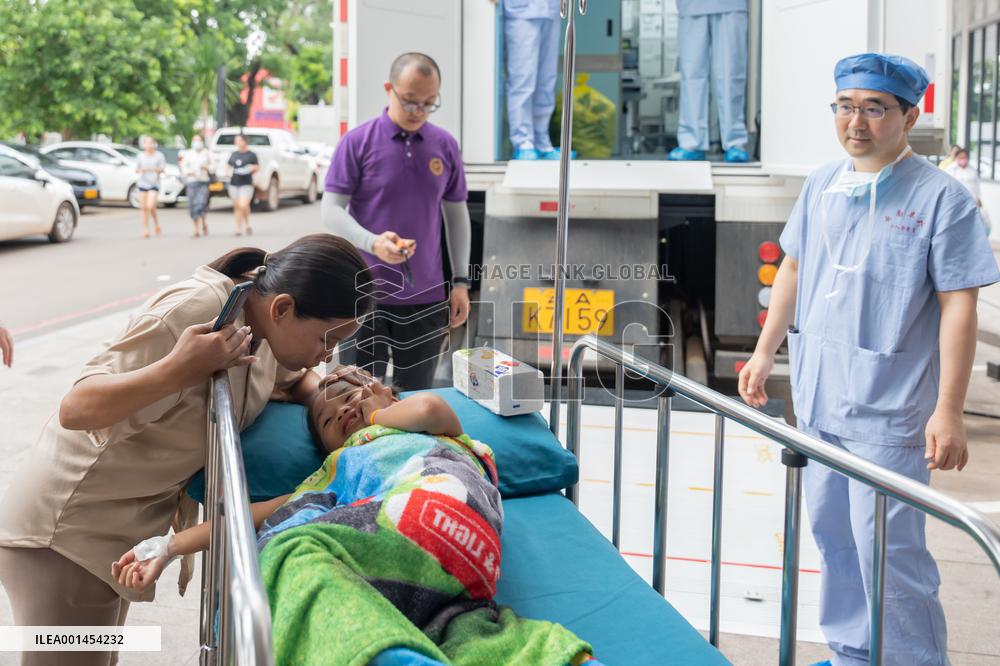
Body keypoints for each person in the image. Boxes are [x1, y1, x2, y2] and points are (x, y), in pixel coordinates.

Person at [0, 234, 374, 666]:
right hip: (65, 534)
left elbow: (290, 381)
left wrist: (337, 404)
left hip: (112, 535)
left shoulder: (262, 332)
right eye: (326, 339)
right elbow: (77, 407)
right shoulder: (199, 310)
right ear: (283, 308)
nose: (328, 355)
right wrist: (180, 368)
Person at [737, 53, 1000, 665]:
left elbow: (958, 306)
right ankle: (854, 653)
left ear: (908, 116)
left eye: (874, 108)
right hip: (820, 398)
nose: (856, 122)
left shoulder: (942, 199)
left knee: (888, 551)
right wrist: (764, 352)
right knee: (834, 537)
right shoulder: (822, 184)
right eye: (845, 106)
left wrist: (949, 410)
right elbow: (793, 269)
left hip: (890, 407)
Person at [112, 367, 596, 665]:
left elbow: (430, 406)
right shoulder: (336, 469)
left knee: (292, 553)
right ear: (328, 448)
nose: (344, 412)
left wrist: (376, 414)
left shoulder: (431, 431)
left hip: (436, 502)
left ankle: (378, 656)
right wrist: (167, 546)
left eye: (352, 399)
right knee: (456, 629)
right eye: (329, 421)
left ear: (389, 396)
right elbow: (241, 516)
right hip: (453, 567)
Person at [322, 52, 472, 391]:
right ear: (389, 89)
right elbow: (330, 210)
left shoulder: (445, 145)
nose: (419, 111)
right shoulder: (357, 142)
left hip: (426, 298)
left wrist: (461, 281)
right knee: (357, 398)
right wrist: (372, 242)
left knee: (416, 400)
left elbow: (456, 215)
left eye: (429, 103)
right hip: (363, 296)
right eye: (410, 101)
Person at [667, 0, 750, 163]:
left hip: (731, 5)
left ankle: (735, 142)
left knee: (731, 73)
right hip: (691, 6)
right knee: (692, 76)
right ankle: (691, 142)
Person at [493, 0, 563, 160]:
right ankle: (523, 142)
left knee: (546, 81)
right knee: (522, 80)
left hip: (551, 10)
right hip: (522, 12)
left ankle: (542, 141)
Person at [944, 148, 991, 237]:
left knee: (972, 224)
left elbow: (977, 186)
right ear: (956, 158)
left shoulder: (972, 170)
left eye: (964, 157)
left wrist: (978, 199)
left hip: (972, 202)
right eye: (960, 157)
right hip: (956, 203)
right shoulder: (951, 169)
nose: (963, 159)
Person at [227, 133, 259, 236]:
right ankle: (238, 228)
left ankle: (246, 222)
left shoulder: (252, 155)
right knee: (237, 206)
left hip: (246, 183)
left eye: (239, 140)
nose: (237, 142)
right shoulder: (234, 154)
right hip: (234, 183)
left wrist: (251, 168)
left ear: (245, 141)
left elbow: (257, 167)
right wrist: (229, 172)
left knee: (243, 205)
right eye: (236, 140)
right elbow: (228, 166)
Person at [180, 134, 212, 238]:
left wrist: (206, 167)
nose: (197, 142)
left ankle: (203, 222)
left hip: (203, 181)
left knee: (201, 204)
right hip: (192, 181)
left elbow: (213, 166)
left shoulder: (207, 153)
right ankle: (196, 228)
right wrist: (189, 172)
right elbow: (183, 167)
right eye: (195, 140)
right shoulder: (188, 153)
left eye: (199, 140)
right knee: (193, 205)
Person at [135, 135, 165, 237]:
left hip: (154, 183)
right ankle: (146, 229)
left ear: (154, 144)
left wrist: (155, 169)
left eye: (151, 143)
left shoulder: (159, 155)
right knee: (143, 207)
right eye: (147, 143)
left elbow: (162, 169)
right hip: (143, 183)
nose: (149, 145)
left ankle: (156, 223)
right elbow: (136, 169)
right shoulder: (140, 156)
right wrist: (141, 170)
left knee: (150, 206)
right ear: (144, 145)